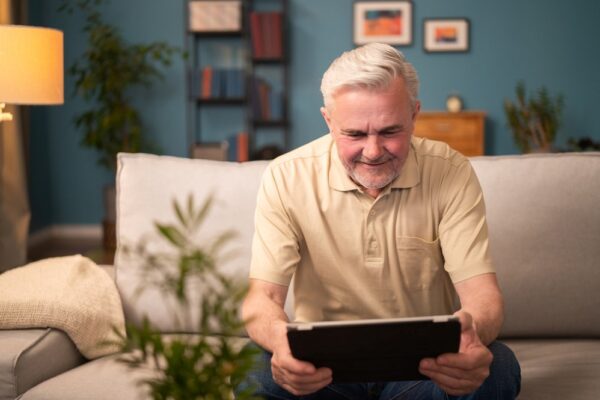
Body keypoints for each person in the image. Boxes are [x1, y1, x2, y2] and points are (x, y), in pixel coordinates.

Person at [237, 43, 521, 399]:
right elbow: (261, 296)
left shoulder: (452, 172)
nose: (372, 152)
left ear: (415, 115)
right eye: (354, 134)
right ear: (328, 120)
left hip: (424, 367)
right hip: (323, 369)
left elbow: (483, 295)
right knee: (253, 371)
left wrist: (472, 333)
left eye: (389, 132)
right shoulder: (286, 176)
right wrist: (282, 343)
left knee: (499, 368)